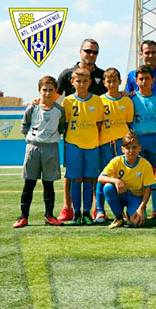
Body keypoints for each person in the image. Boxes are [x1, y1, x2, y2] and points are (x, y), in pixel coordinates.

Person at [56, 38, 106, 222]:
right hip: (74, 141)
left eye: (95, 52)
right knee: (73, 176)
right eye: (88, 51)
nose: (91, 55)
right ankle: (69, 208)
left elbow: (100, 121)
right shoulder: (66, 79)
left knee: (92, 176)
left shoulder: (100, 81)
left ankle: (94, 209)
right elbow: (55, 101)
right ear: (80, 52)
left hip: (93, 141)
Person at [13, 76, 66, 228]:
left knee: (48, 184)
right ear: (39, 91)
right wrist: (33, 138)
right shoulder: (32, 108)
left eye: (51, 90)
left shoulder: (59, 110)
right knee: (29, 183)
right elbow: (24, 126)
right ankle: (24, 217)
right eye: (44, 90)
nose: (48, 93)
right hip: (33, 148)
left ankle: (49, 216)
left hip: (51, 149)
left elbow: (61, 128)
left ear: (56, 91)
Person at [62, 68, 104, 224]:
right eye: (78, 81)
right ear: (73, 82)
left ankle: (86, 212)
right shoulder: (68, 101)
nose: (81, 84)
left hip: (92, 144)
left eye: (85, 81)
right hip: (73, 144)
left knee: (89, 178)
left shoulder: (97, 101)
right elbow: (65, 123)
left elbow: (99, 124)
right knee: (76, 179)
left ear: (90, 83)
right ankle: (76, 213)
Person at [95, 68, 134, 223]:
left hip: (122, 144)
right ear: (104, 83)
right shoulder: (99, 101)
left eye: (114, 81)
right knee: (104, 175)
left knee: (122, 175)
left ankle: (121, 209)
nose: (112, 84)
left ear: (119, 82)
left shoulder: (126, 101)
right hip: (105, 142)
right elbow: (98, 124)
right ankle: (99, 210)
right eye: (108, 81)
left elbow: (129, 124)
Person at [130, 65, 156, 219]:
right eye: (141, 79)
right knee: (140, 175)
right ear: (136, 81)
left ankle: (155, 209)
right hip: (138, 139)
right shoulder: (131, 99)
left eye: (147, 78)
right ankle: (140, 209)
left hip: (155, 139)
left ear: (153, 80)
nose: (144, 82)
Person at [98, 132, 155, 229]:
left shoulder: (145, 165)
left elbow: (147, 189)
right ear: (122, 149)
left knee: (137, 223)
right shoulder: (117, 161)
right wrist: (116, 181)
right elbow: (100, 178)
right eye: (128, 148)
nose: (131, 151)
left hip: (136, 197)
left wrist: (141, 208)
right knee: (108, 187)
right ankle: (119, 217)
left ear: (139, 148)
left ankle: (131, 213)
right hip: (121, 194)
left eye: (134, 147)